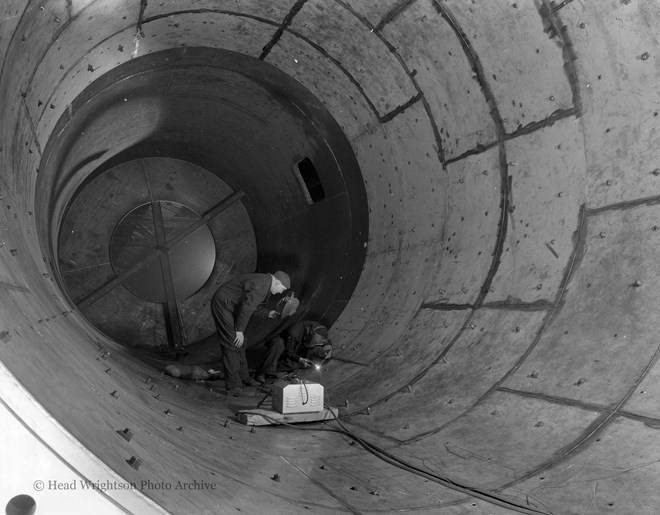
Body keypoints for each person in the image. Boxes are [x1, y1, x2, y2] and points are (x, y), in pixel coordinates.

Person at [211, 271, 290, 394]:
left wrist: (268, 313)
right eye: (282, 288)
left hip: (230, 304)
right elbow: (246, 308)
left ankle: (244, 377)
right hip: (222, 304)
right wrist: (239, 331)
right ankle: (233, 386)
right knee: (232, 342)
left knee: (241, 343)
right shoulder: (262, 285)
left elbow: (250, 305)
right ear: (277, 282)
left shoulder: (264, 283)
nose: (281, 292)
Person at [256, 320, 332, 383]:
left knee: (295, 364)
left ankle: (274, 370)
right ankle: (265, 372)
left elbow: (325, 342)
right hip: (281, 341)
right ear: (309, 333)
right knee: (278, 343)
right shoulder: (294, 331)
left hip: (297, 345)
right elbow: (289, 352)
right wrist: (299, 359)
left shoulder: (320, 330)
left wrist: (327, 348)